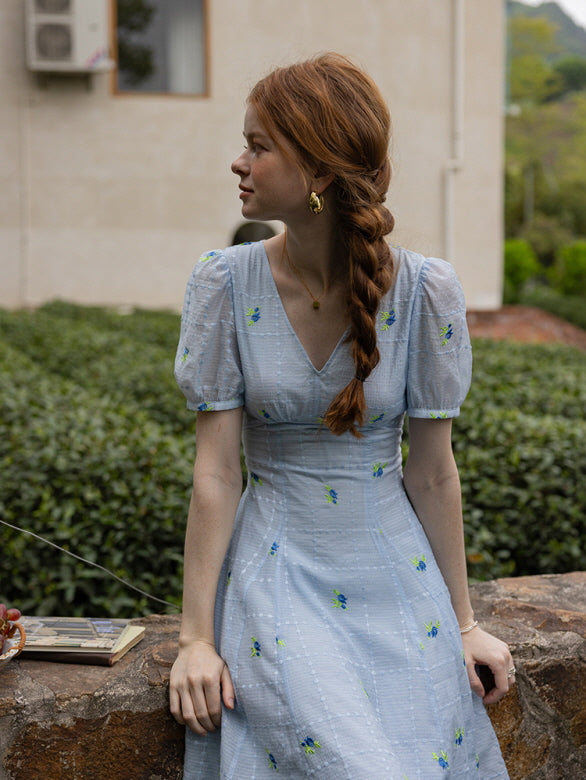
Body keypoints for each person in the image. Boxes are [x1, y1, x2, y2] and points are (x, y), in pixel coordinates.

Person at [170, 52, 513, 779]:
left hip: (399, 582)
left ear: (319, 173)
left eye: (259, 146)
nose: (239, 162)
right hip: (276, 578)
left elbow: (432, 474)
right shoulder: (223, 282)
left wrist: (463, 624)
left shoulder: (425, 290)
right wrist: (196, 638)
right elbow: (217, 474)